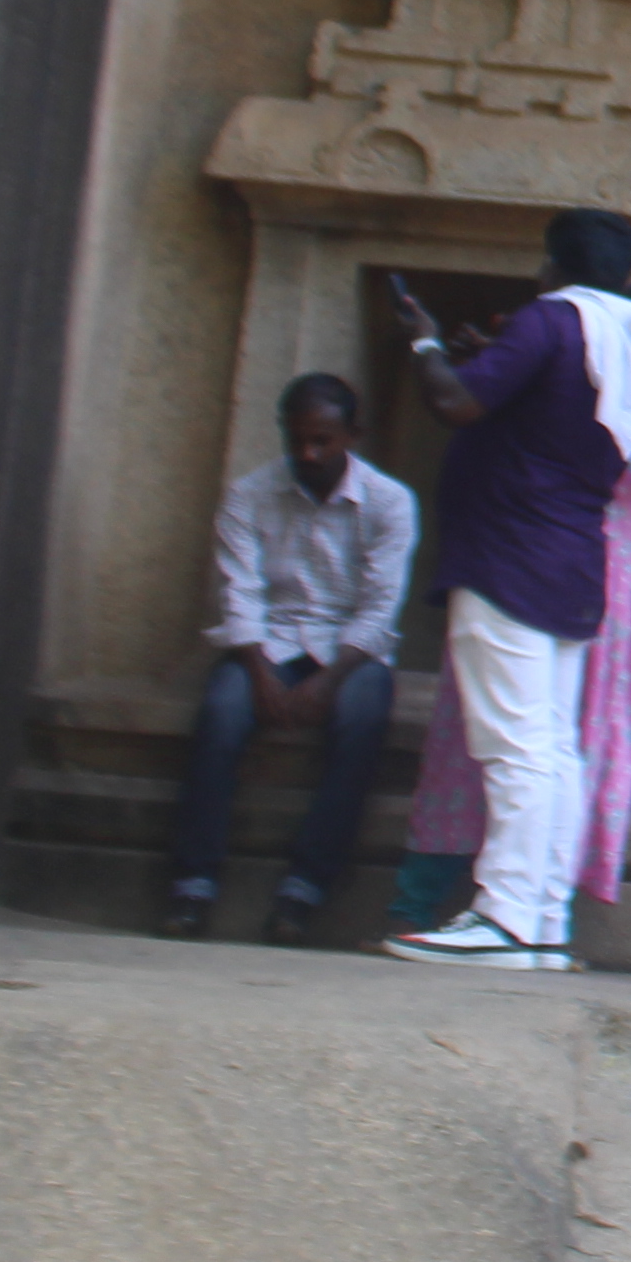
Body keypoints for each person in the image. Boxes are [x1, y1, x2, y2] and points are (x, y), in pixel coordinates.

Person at [381, 215, 631, 969]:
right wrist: (497, 360)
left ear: (553, 266)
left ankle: (502, 916)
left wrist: (423, 339)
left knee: (515, 748)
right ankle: (541, 922)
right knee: (553, 752)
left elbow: (454, 402)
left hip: (508, 557)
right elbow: (553, 410)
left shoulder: (552, 320)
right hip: (574, 565)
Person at [166, 373, 420, 943]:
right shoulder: (249, 495)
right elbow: (241, 596)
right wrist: (260, 675)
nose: (309, 454)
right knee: (221, 715)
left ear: (352, 436)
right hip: (269, 643)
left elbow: (380, 611)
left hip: (349, 652)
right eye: (298, 440)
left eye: (323, 442)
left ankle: (304, 889)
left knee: (363, 721)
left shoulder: (390, 503)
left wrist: (327, 683)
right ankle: (193, 884)